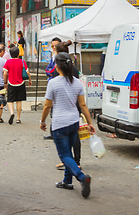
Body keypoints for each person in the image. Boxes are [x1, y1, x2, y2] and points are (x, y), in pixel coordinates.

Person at [39, 52, 96, 199]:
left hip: (59, 124)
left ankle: (82, 177)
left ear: (57, 67)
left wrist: (42, 121)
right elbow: (82, 105)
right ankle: (67, 181)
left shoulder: (53, 82)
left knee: (64, 155)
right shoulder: (77, 82)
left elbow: (47, 106)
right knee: (68, 153)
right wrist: (90, 123)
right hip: (73, 122)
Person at [54, 41, 82, 171]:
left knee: (66, 137)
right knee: (73, 136)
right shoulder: (73, 68)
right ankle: (73, 161)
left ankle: (71, 161)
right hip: (73, 106)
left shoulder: (62, 70)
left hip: (66, 107)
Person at [3, 46, 32, 124]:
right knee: (19, 101)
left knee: (10, 100)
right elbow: (28, 72)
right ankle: (18, 118)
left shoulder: (8, 62)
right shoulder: (22, 61)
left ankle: (12, 113)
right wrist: (30, 80)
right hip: (21, 83)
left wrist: (5, 82)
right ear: (18, 54)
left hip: (11, 83)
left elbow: (5, 73)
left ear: (10, 54)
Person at [44, 37, 62, 140]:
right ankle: (53, 132)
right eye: (52, 45)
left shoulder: (60, 57)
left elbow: (52, 70)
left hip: (58, 84)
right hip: (52, 83)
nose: (54, 47)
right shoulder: (53, 56)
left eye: (55, 45)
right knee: (52, 109)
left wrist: (49, 71)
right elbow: (48, 69)